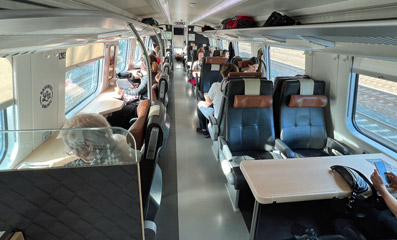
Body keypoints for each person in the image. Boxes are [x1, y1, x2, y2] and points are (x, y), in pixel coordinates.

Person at [60, 113, 141, 166]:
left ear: (88, 146)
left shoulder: (107, 168)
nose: (76, 155)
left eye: (74, 149)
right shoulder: (118, 137)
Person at [196, 64, 239, 136]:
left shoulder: (216, 86)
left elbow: (207, 104)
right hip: (235, 122)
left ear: (222, 74)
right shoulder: (241, 88)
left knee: (200, 103)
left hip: (218, 122)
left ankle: (203, 129)